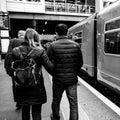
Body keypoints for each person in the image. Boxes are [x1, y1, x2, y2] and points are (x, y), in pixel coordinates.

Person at [10, 28, 54, 120]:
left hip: (21, 86)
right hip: (36, 86)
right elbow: (50, 67)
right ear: (36, 38)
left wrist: (19, 77)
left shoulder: (15, 50)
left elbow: (8, 67)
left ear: (25, 37)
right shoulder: (40, 51)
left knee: (25, 111)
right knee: (36, 112)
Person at [47, 23, 83, 120]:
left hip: (58, 80)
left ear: (56, 33)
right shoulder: (76, 45)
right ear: (67, 32)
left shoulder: (52, 46)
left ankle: (55, 117)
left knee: (56, 101)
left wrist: (54, 73)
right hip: (72, 80)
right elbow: (80, 63)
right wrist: (73, 72)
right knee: (73, 103)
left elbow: (47, 63)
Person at [4, 30, 25, 110]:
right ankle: (25, 101)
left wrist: (8, 68)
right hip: (25, 68)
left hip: (15, 68)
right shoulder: (28, 42)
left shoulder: (13, 42)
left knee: (15, 84)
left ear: (19, 35)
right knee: (25, 84)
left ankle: (18, 102)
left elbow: (8, 55)